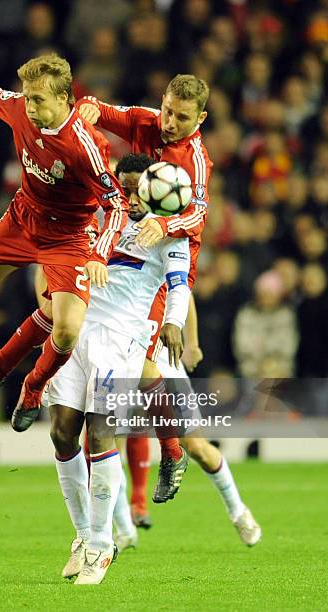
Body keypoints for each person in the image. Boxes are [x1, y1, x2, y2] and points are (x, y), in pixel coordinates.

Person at [0, 53, 129, 431]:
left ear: (64, 99)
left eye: (39, 99)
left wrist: (99, 254)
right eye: (28, 97)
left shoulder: (86, 145)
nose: (29, 106)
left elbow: (116, 204)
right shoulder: (17, 110)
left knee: (66, 328)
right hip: (23, 218)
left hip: (69, 237)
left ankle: (33, 387)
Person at [40, 153, 190, 584]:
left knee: (101, 432)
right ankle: (84, 536)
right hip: (78, 328)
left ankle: (104, 547)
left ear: (151, 187)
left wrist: (174, 323)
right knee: (62, 432)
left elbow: (179, 286)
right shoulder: (104, 214)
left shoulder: (169, 235)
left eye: (134, 187)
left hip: (120, 340)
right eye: (121, 186)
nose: (127, 194)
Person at [139, 291, 262, 546]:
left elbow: (183, 291)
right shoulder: (103, 257)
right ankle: (104, 534)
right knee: (103, 440)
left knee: (196, 447)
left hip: (162, 360)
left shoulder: (155, 255)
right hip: (119, 356)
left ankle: (238, 511)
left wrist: (192, 343)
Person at [76, 73, 213, 288]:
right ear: (163, 100)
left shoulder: (196, 160)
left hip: (168, 247)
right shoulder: (145, 120)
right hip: (132, 230)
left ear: (201, 118)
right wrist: (88, 105)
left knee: (169, 314)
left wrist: (163, 225)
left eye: (182, 118)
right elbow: (96, 107)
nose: (170, 123)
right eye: (168, 112)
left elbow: (197, 216)